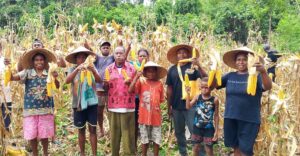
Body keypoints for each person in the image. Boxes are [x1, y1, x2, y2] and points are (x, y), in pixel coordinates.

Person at [218, 47, 272, 156]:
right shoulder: (229, 76)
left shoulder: (255, 76)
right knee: (235, 146)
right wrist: (203, 67)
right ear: (235, 62)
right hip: (231, 116)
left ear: (250, 62)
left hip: (249, 119)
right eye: (238, 59)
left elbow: (268, 86)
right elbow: (212, 85)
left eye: (244, 59)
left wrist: (263, 71)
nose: (241, 62)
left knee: (246, 150)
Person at [7, 48, 59, 156]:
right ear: (33, 62)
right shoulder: (27, 72)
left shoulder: (48, 73)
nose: (39, 62)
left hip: (45, 109)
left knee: (44, 135)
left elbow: (57, 86)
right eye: (36, 60)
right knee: (33, 135)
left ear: (45, 62)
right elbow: (13, 77)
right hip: (30, 110)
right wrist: (8, 67)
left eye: (41, 60)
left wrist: (56, 78)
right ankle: (35, 154)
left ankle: (45, 153)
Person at [166, 44, 207, 156]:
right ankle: (183, 153)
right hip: (176, 106)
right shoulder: (172, 70)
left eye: (184, 52)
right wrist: (169, 106)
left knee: (195, 131)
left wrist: (199, 65)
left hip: (191, 105)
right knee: (179, 132)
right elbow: (169, 89)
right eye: (179, 53)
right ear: (176, 55)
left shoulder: (193, 67)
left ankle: (201, 154)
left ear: (188, 54)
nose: (182, 55)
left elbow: (206, 79)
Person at [65, 46, 101, 156]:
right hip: (78, 104)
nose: (81, 59)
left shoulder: (91, 68)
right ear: (76, 60)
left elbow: (99, 80)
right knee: (81, 130)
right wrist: (77, 69)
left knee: (92, 129)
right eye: (79, 57)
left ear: (86, 59)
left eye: (83, 57)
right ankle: (82, 153)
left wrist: (93, 70)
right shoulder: (72, 69)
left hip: (92, 104)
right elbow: (67, 81)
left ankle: (94, 154)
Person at [128, 61, 166, 156]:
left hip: (155, 117)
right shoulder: (141, 81)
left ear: (156, 73)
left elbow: (161, 99)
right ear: (145, 72)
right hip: (143, 117)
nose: (151, 73)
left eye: (153, 71)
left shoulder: (159, 84)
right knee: (144, 140)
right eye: (148, 71)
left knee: (156, 140)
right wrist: (137, 76)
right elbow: (130, 90)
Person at [104, 46, 136, 156]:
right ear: (113, 55)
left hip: (128, 106)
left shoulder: (132, 69)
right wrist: (105, 84)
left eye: (121, 53)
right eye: (116, 53)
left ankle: (129, 153)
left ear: (125, 55)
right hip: (113, 106)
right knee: (115, 135)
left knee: (129, 135)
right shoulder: (108, 69)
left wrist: (130, 84)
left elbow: (136, 88)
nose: (118, 55)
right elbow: (106, 88)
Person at [186, 77, 219, 156]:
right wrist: (187, 94)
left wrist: (217, 131)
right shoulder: (197, 97)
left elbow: (216, 115)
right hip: (197, 127)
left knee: (209, 149)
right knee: (195, 148)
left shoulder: (214, 100)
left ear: (211, 88)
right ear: (200, 87)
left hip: (209, 128)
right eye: (202, 87)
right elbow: (188, 107)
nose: (204, 89)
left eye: (206, 87)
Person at [129, 48, 150, 149]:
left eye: (144, 56)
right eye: (140, 56)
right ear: (137, 57)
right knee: (135, 122)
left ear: (148, 57)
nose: (142, 58)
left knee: (145, 123)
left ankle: (145, 145)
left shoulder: (151, 68)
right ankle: (134, 146)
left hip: (146, 100)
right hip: (136, 99)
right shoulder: (134, 67)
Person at [94, 40, 114, 137]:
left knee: (110, 110)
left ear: (110, 49)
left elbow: (122, 55)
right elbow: (89, 51)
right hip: (99, 89)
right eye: (103, 47)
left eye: (107, 47)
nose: (105, 49)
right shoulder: (97, 58)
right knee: (99, 111)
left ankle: (111, 129)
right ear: (100, 49)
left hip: (110, 89)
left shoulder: (112, 58)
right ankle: (101, 129)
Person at [0, 43, 12, 131]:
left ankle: (7, 137)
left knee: (7, 117)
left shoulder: (6, 61)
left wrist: (9, 66)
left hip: (6, 94)